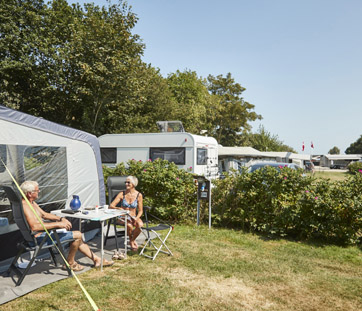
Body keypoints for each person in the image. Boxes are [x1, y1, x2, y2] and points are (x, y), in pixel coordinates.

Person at [20, 181, 114, 271]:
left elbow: (44, 215)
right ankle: (70, 263)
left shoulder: (31, 202)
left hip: (43, 235)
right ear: (29, 193)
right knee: (77, 235)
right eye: (37, 190)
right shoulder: (26, 206)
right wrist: (58, 224)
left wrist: (60, 219)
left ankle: (97, 260)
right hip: (40, 239)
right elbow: (34, 227)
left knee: (78, 237)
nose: (39, 191)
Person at [109, 176, 143, 252]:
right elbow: (111, 206)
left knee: (140, 225)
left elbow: (140, 211)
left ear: (134, 184)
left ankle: (132, 239)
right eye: (126, 182)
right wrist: (118, 208)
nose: (126, 184)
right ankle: (131, 242)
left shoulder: (139, 195)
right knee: (129, 225)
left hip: (133, 216)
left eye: (128, 182)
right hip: (122, 216)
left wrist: (136, 218)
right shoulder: (122, 194)